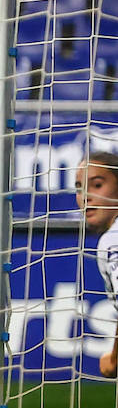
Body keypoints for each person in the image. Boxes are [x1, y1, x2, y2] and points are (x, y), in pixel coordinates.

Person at [76, 146, 118, 377]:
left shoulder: (113, 240)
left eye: (97, 184)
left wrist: (113, 360)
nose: (86, 196)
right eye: (79, 188)